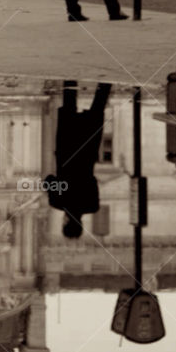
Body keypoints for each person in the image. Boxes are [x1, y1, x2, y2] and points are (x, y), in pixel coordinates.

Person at [44, 81, 111, 239]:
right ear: (66, 222)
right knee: (69, 106)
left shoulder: (91, 206)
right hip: (65, 153)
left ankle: (105, 83)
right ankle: (70, 80)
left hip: (86, 157)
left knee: (97, 110)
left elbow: (94, 182)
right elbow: (49, 179)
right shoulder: (57, 202)